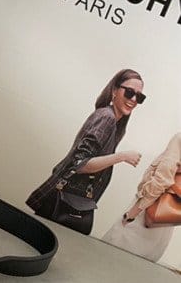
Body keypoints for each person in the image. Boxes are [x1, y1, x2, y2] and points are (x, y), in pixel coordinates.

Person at [26, 69, 145, 234]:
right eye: (130, 92)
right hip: (64, 202)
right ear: (114, 90)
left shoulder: (113, 122)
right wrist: (122, 156)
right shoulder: (107, 118)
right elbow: (80, 163)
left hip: (69, 201)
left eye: (139, 97)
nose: (133, 100)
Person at [101, 133, 181, 262]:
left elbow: (161, 180)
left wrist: (131, 215)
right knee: (137, 267)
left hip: (147, 211)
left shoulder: (179, 139)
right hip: (167, 218)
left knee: (109, 258)